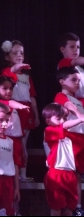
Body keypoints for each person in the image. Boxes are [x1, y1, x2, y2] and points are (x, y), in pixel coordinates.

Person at [1, 40, 40, 182]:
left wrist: (35, 114)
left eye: (21, 53)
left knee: (23, 145)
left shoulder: (27, 77)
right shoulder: (7, 72)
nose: (19, 55)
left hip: (26, 110)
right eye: (15, 53)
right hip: (13, 110)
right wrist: (16, 68)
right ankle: (11, 172)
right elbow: (8, 76)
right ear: (7, 57)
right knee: (13, 143)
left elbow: (32, 96)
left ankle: (22, 175)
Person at [0, 75, 29, 215]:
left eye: (10, 89)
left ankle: (15, 209)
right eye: (4, 88)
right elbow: (11, 104)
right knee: (10, 172)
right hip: (5, 141)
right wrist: (20, 105)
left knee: (16, 170)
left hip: (16, 141)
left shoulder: (10, 103)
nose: (8, 91)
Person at [43, 103, 84, 216]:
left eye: (65, 118)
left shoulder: (71, 135)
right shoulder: (50, 130)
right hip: (56, 174)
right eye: (58, 118)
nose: (62, 121)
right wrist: (80, 119)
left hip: (70, 175)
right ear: (47, 120)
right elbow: (64, 126)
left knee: (69, 209)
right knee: (56, 207)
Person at [54, 67, 84, 216]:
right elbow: (66, 104)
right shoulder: (60, 96)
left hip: (80, 138)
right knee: (71, 174)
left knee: (78, 174)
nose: (77, 83)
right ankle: (68, 205)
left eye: (79, 80)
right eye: (73, 80)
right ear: (62, 81)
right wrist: (78, 114)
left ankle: (77, 205)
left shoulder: (78, 100)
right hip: (70, 139)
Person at [58, 33, 84, 106]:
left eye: (78, 47)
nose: (76, 49)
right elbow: (76, 61)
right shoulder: (63, 63)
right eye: (72, 47)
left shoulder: (80, 69)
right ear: (63, 49)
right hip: (72, 102)